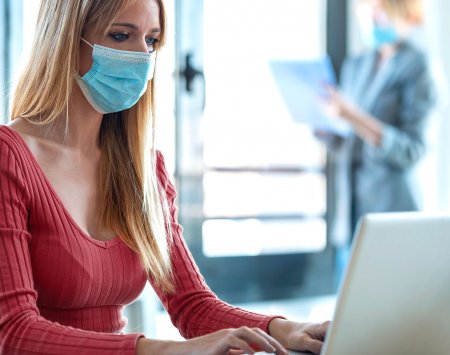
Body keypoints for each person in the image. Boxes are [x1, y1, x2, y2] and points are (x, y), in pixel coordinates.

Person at [0, 0, 329, 354]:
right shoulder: (9, 157)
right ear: (65, 40)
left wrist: (284, 329)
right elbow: (14, 333)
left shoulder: (143, 168)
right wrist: (166, 350)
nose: (141, 56)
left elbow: (191, 306)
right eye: (121, 35)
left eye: (152, 41)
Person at [321, 0, 436, 255]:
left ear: (404, 14)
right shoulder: (357, 65)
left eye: (381, 11)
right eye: (369, 9)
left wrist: (354, 117)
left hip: (392, 215)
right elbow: (347, 143)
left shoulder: (419, 67)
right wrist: (326, 127)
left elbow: (411, 150)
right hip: (351, 216)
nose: (373, 18)